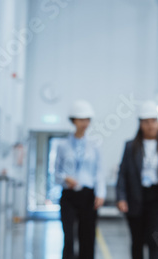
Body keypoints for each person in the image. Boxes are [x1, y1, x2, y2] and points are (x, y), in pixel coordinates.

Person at [116, 102, 158, 259]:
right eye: (146, 122)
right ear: (141, 124)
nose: (151, 125)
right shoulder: (130, 147)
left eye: (153, 121)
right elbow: (122, 174)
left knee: (154, 241)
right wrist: (121, 198)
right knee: (137, 242)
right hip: (136, 197)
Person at [54, 99, 105, 259]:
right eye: (81, 119)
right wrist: (65, 178)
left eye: (87, 120)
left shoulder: (95, 145)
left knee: (87, 237)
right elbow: (55, 174)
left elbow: (99, 171)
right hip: (69, 196)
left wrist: (100, 194)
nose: (85, 123)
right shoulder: (62, 145)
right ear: (73, 120)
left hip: (88, 196)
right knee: (68, 238)